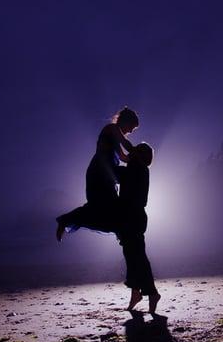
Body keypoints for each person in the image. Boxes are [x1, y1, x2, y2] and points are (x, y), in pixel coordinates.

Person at [56, 107, 139, 240]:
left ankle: (121, 232)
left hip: (108, 174)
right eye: (131, 127)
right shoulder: (111, 128)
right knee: (100, 206)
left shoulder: (116, 137)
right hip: (99, 172)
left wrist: (138, 162)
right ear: (125, 121)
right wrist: (138, 152)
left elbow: (124, 157)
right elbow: (127, 145)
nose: (130, 131)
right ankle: (65, 220)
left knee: (107, 208)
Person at [115, 143, 160, 313]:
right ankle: (136, 293)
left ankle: (151, 292)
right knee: (133, 256)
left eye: (135, 151)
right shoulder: (140, 169)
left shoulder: (136, 169)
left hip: (132, 218)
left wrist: (114, 149)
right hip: (133, 218)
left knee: (137, 256)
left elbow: (117, 172)